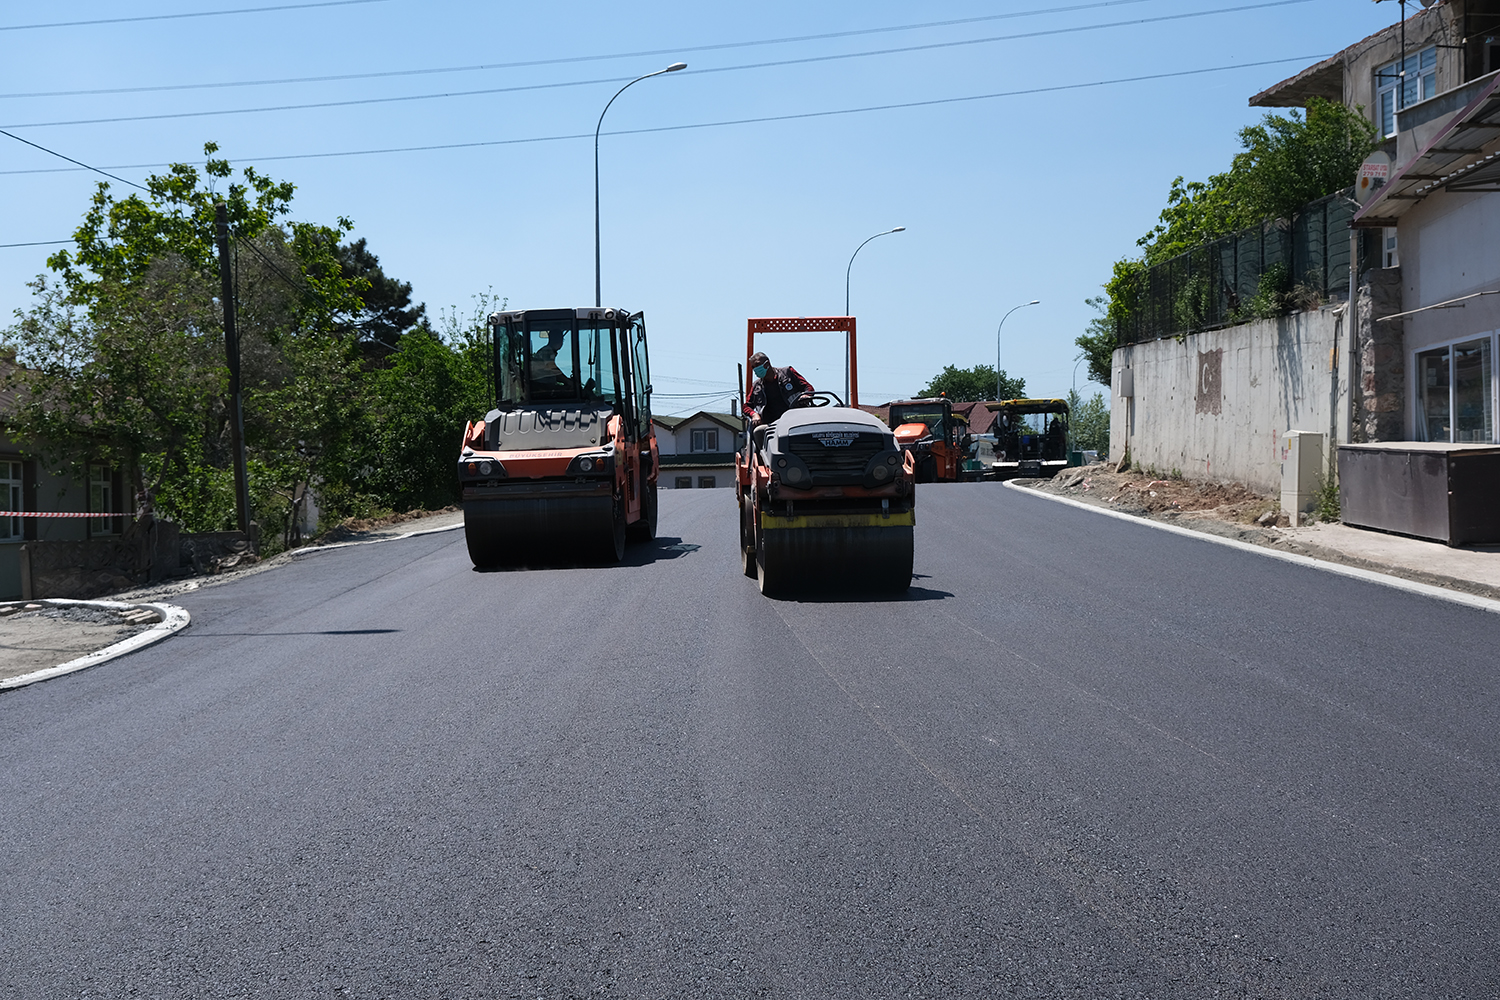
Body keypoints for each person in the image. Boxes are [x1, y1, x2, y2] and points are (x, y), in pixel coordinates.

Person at [743, 351, 815, 428]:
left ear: (767, 364)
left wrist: (806, 395)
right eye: (753, 367)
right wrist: (754, 414)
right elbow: (746, 406)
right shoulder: (756, 386)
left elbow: (809, 388)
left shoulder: (788, 372)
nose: (756, 369)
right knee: (758, 432)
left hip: (795, 420)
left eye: (757, 365)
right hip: (770, 426)